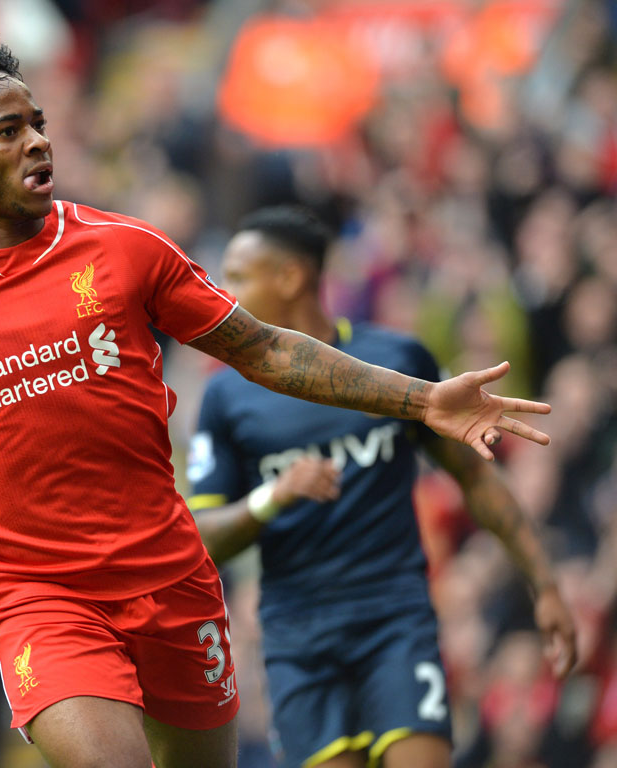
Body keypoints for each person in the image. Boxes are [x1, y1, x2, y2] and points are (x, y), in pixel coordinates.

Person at [0, 25, 557, 768]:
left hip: (170, 579)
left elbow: (266, 349)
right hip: (39, 598)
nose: (36, 142)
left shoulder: (127, 251)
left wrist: (420, 400)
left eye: (37, 123)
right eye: (6, 132)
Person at [186, 205, 578, 768]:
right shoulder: (227, 396)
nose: (226, 292)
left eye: (240, 276)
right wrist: (272, 497)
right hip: (298, 639)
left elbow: (476, 479)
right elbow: (201, 536)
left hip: (394, 620)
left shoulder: (396, 361)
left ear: (291, 277)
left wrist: (546, 584)